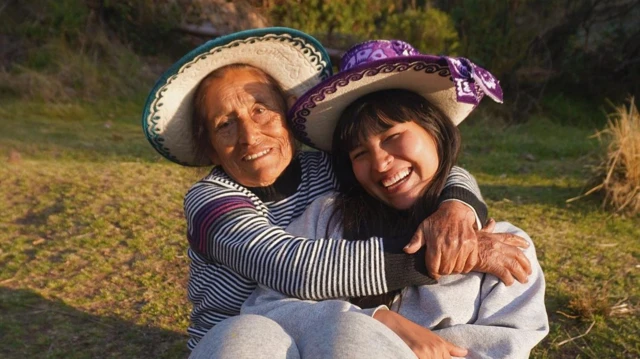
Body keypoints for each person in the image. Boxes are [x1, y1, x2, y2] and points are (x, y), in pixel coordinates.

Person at [141, 28, 531, 352]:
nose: (249, 135)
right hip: (242, 336)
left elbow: (424, 172)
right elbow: (290, 268)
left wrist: (457, 208)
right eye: (226, 123)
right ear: (209, 145)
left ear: (288, 113)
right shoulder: (211, 201)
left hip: (330, 327)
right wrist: (449, 256)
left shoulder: (326, 168)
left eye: (261, 109)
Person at [238, 40, 549, 359]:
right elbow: (266, 306)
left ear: (435, 130)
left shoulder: (505, 248)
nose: (380, 163)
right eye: (360, 153)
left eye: (393, 137)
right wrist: (374, 322)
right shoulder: (325, 218)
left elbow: (508, 344)